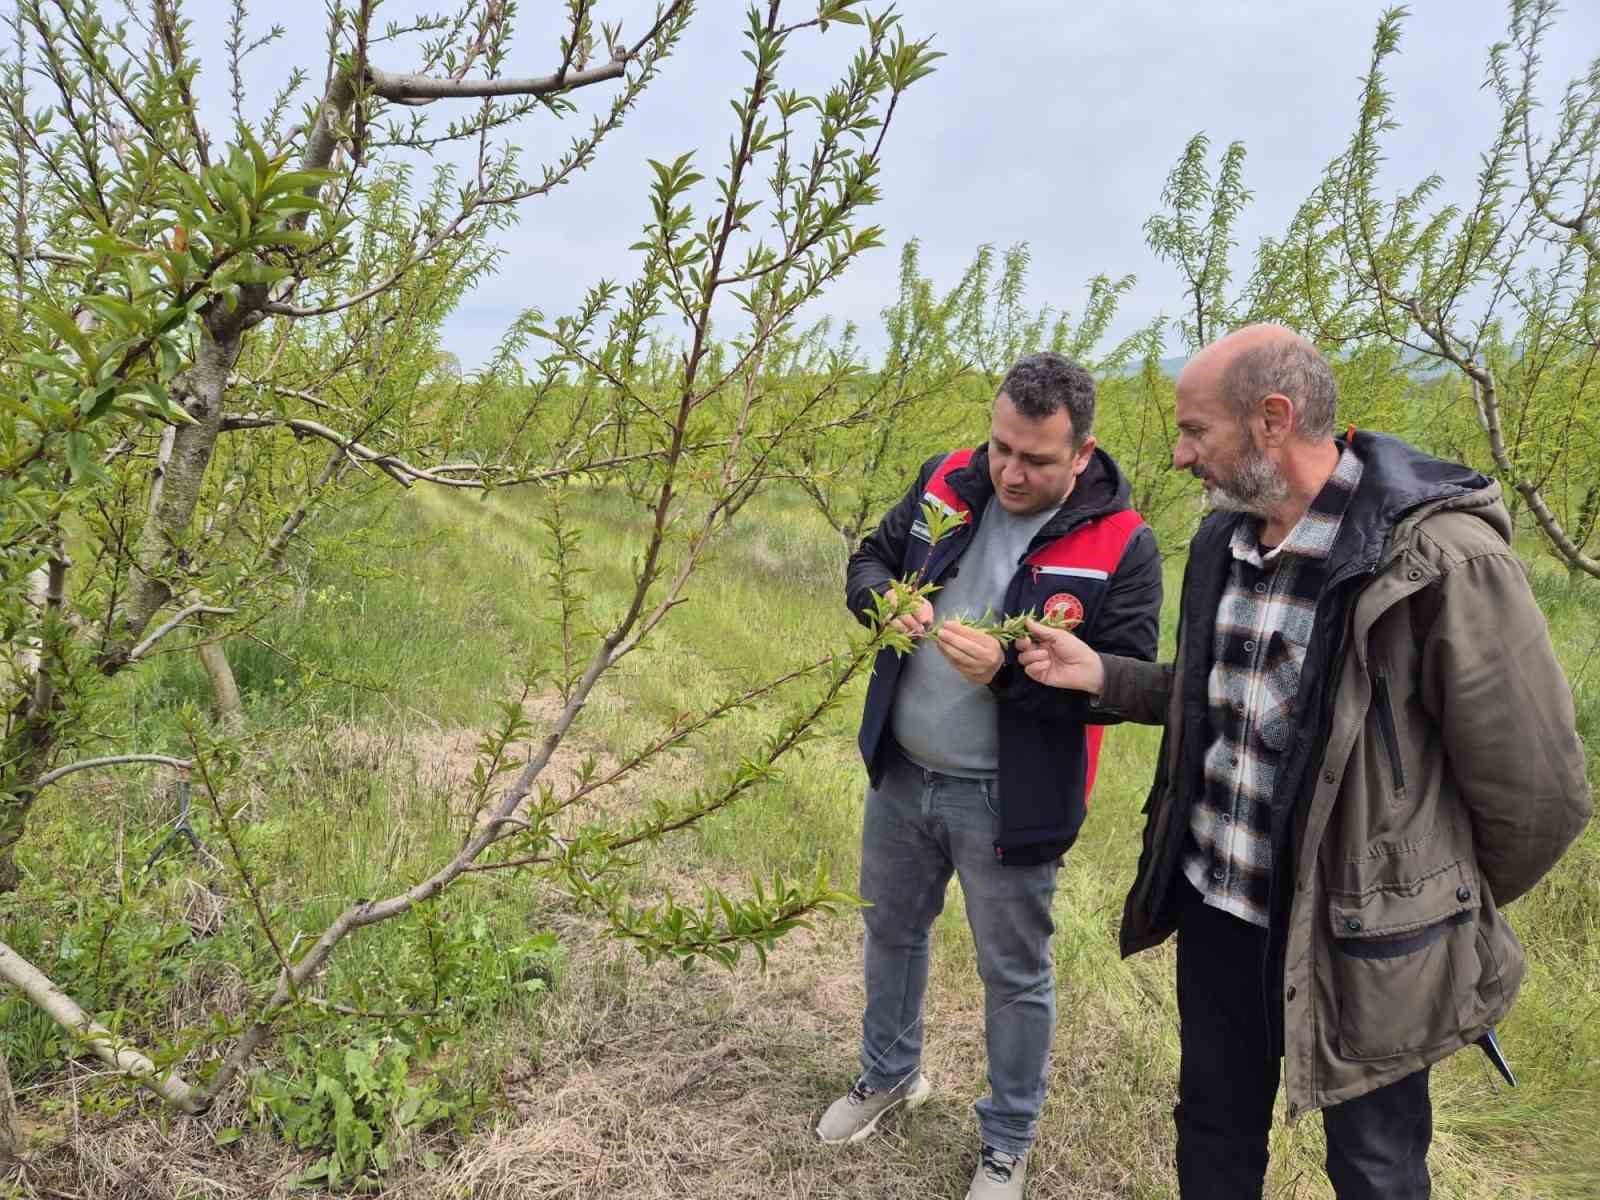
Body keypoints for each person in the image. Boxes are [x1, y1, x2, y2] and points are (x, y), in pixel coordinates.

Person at [1015, 324, 1592, 1199]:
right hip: (1218, 910)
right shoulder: (1223, 541)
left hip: (1363, 940)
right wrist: (1106, 675)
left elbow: (1538, 792)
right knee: (1211, 1132)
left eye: (1196, 431)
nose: (1178, 456)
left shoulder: (1438, 559)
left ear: (1272, 420)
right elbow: (1228, 696)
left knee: (1374, 1167)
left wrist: (1418, 907)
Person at [819, 352, 1163, 1200]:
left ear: (1081, 454)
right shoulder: (946, 480)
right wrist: (883, 601)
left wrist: (1008, 674)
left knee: (1013, 973)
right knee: (891, 931)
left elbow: (1121, 687)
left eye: (1036, 459)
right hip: (902, 774)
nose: (1009, 471)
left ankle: (1006, 1142)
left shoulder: (1124, 542)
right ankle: (890, 1075)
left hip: (1009, 801)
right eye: (1001, 446)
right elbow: (870, 559)